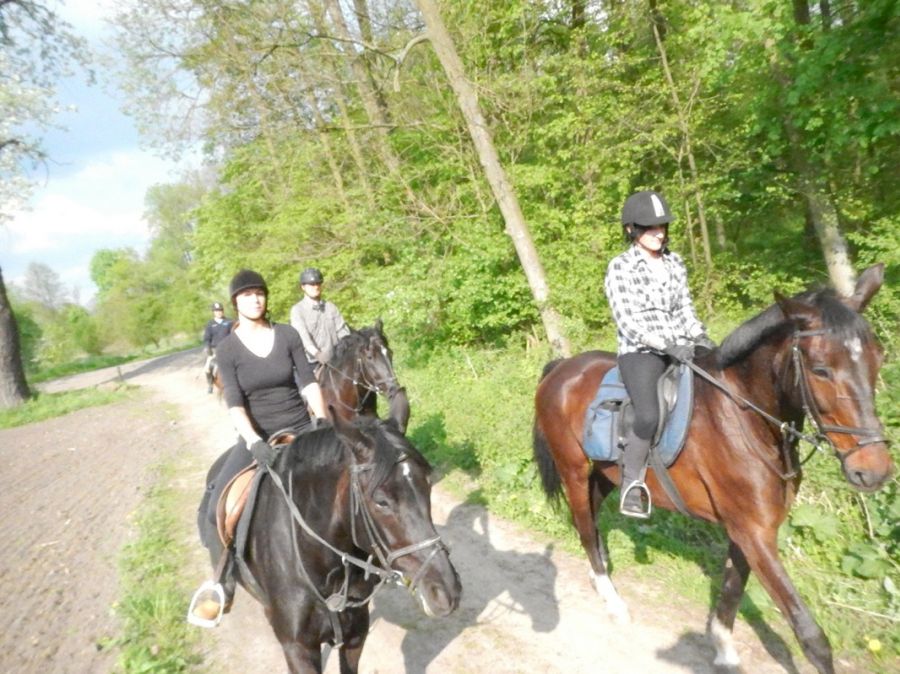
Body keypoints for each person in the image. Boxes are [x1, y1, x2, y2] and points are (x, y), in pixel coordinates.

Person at [190, 269, 328, 624]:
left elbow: (308, 381)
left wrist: (322, 419)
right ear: (236, 302)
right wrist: (254, 442)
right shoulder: (227, 349)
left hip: (302, 428)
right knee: (215, 506)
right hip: (258, 436)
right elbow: (234, 402)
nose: (255, 299)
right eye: (247, 294)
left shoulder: (287, 335)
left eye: (259, 293)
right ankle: (221, 585)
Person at [604, 190, 715, 519]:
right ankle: (631, 483)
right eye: (650, 227)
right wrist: (665, 345)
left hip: (682, 346)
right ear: (631, 229)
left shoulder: (675, 262)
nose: (659, 233)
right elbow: (627, 320)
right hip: (641, 351)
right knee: (649, 415)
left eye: (662, 226)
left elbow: (684, 309)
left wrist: (700, 335)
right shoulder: (621, 267)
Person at [290, 267, 350, 373]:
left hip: (336, 360)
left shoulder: (331, 307)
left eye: (318, 283)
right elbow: (303, 338)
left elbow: (342, 331)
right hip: (312, 363)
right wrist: (317, 354)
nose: (315, 287)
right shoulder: (298, 310)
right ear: (303, 287)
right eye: (311, 284)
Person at [202, 301, 233, 393]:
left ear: (223, 311)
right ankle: (210, 384)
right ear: (213, 312)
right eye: (216, 311)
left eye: (220, 310)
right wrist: (208, 349)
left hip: (229, 349)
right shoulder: (210, 324)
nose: (219, 312)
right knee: (208, 368)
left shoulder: (229, 321)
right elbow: (207, 338)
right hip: (215, 350)